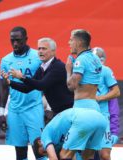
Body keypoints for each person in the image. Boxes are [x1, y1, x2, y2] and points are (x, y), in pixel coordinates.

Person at [42, 29, 107, 160]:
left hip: (82, 110)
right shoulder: (95, 58)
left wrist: (68, 70)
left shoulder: (80, 60)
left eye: (71, 39)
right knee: (87, 156)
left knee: (67, 154)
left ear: (78, 42)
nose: (69, 42)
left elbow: (71, 86)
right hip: (97, 111)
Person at [0, 26, 46, 160]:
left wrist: (47, 107)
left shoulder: (37, 57)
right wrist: (2, 113)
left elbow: (46, 83)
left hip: (34, 108)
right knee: (20, 152)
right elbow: (4, 88)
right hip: (15, 111)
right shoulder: (6, 60)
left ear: (26, 39)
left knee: (40, 150)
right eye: (12, 40)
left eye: (18, 40)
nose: (15, 44)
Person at [7, 37, 74, 115]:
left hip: (68, 111)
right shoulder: (43, 67)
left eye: (44, 49)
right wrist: (9, 82)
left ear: (53, 52)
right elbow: (27, 88)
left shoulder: (57, 66)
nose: (40, 51)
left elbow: (42, 85)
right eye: (39, 49)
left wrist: (22, 77)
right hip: (60, 112)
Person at [92, 47, 121, 160]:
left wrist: (114, 131)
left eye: (99, 60)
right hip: (86, 118)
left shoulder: (109, 85)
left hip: (102, 120)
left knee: (104, 155)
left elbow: (114, 111)